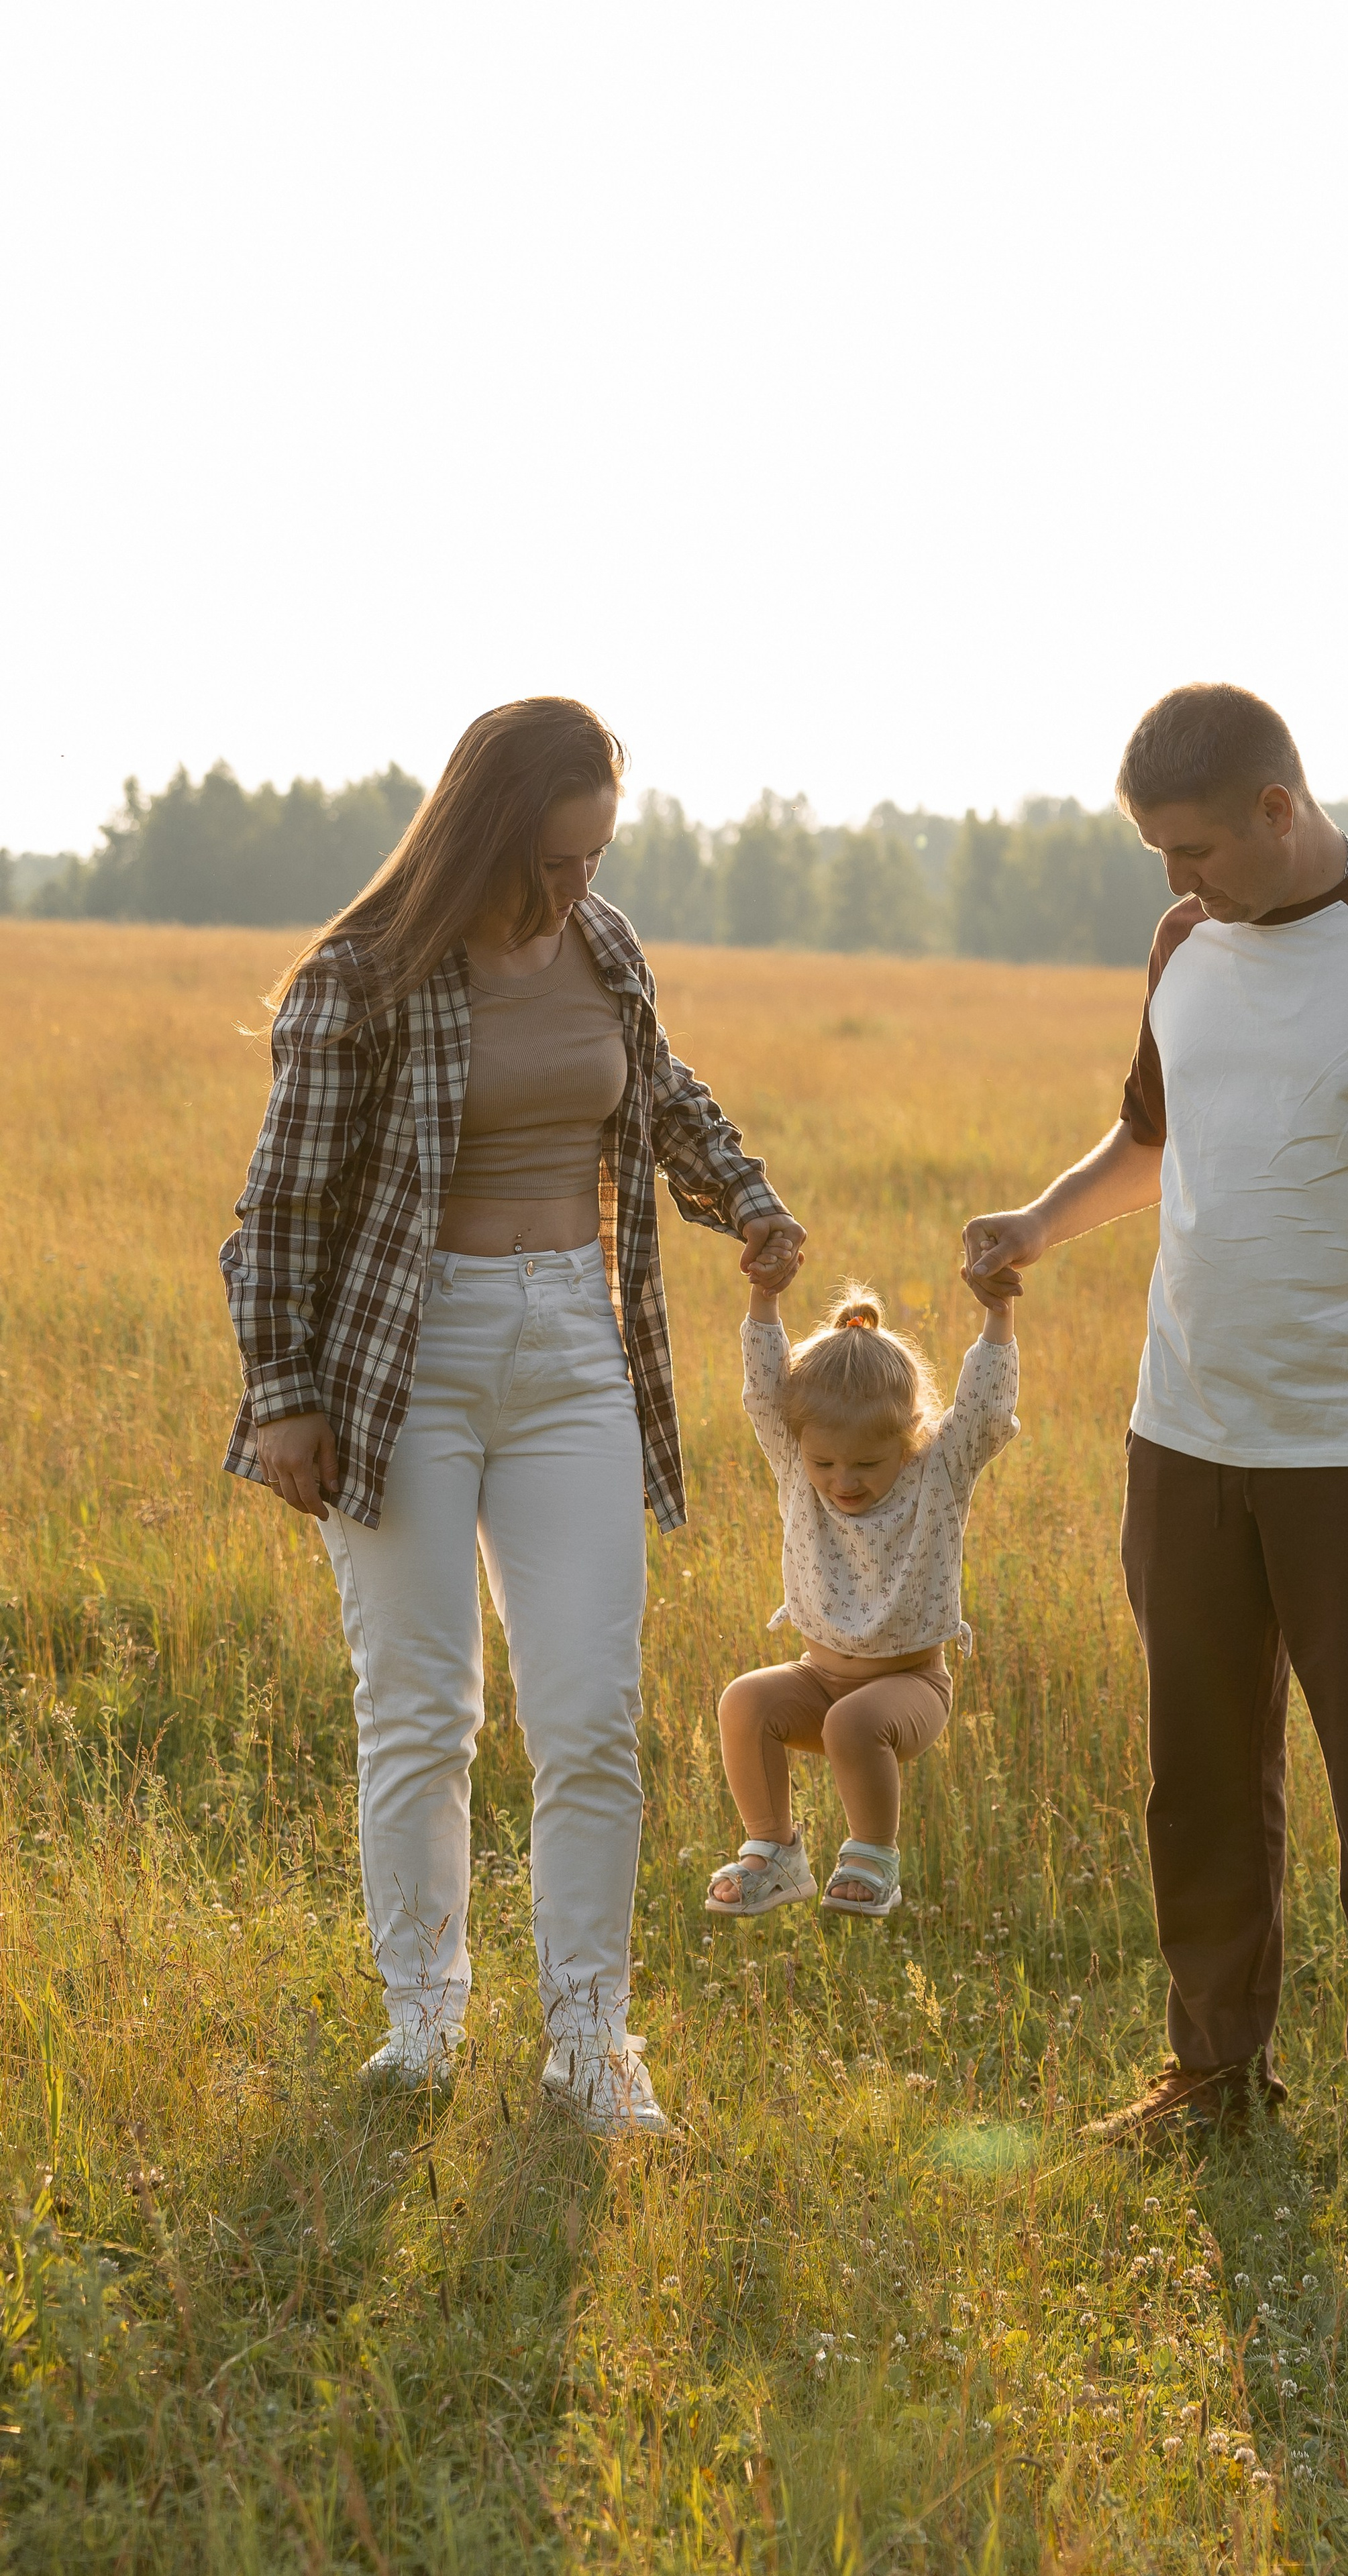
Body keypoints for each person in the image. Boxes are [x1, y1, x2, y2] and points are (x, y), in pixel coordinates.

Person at [964, 683, 1348, 2208]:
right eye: (1152, 857)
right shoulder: (1185, 944)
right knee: (1196, 1772)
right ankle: (1215, 2064)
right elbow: (1153, 1135)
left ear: (1274, 805)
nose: (1175, 884)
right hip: (1182, 1431)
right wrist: (1038, 1222)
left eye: (1192, 849)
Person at [221, 696, 805, 2133]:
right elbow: (280, 1210)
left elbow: (658, 1092)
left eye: (595, 856)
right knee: (420, 1708)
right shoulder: (359, 978)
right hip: (402, 1355)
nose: (576, 887)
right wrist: (285, 1395)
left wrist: (743, 1194)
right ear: (486, 829)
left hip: (573, 1353)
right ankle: (422, 2024)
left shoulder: (602, 945)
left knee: (591, 1716)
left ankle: (589, 2044)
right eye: (553, 859)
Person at [706, 1267, 1019, 1920]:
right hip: (816, 1676)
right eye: (825, 1463)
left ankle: (873, 1860)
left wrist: (997, 1317)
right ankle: (774, 1855)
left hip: (908, 1685)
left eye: (866, 1465)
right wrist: (764, 1298)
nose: (841, 1481)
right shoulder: (797, 1465)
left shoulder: (938, 1472)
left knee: (853, 1723)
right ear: (803, 1449)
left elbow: (986, 1412)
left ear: (908, 1441)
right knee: (744, 1702)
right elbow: (765, 1394)